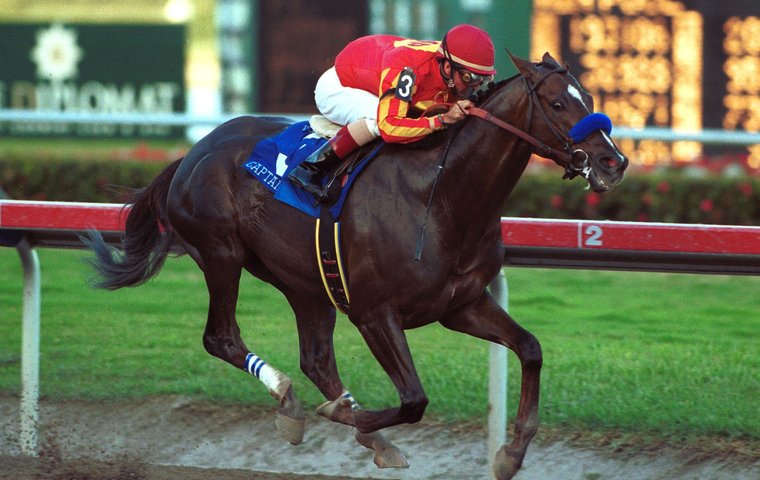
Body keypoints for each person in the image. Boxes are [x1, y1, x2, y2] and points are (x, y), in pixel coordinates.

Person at [288, 23, 496, 197]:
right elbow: (390, 127)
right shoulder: (409, 71)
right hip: (340, 87)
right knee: (379, 121)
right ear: (448, 67)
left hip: (374, 82)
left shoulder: (448, 65)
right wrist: (442, 120)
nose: (474, 86)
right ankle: (311, 168)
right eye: (469, 78)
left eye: (483, 80)